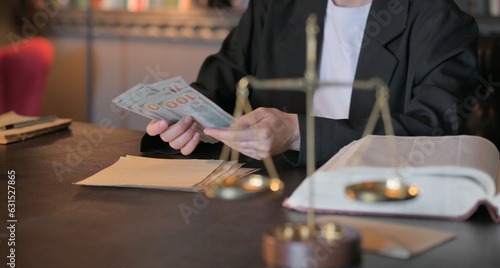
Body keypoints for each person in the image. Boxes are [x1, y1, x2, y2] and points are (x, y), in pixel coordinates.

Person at [146, 0, 478, 166]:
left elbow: (434, 132)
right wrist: (186, 121)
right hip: (265, 198)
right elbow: (215, 87)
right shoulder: (274, 8)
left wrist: (297, 133)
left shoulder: (440, 21)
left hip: (375, 201)